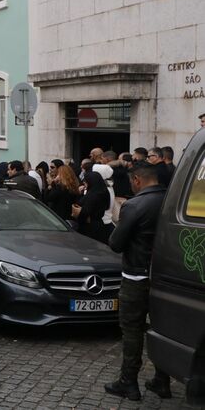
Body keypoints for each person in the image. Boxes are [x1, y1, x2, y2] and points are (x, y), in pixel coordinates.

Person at [104, 163, 171, 401]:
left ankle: (128, 382)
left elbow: (116, 243)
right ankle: (162, 380)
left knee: (132, 330)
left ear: (137, 180)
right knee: (162, 329)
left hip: (136, 277)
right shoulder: (171, 200)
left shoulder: (134, 205)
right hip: (164, 277)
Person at [71, 171, 111, 244]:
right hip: (98, 224)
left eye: (86, 181)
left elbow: (85, 212)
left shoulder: (93, 195)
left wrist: (79, 197)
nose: (84, 183)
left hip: (89, 227)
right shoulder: (103, 191)